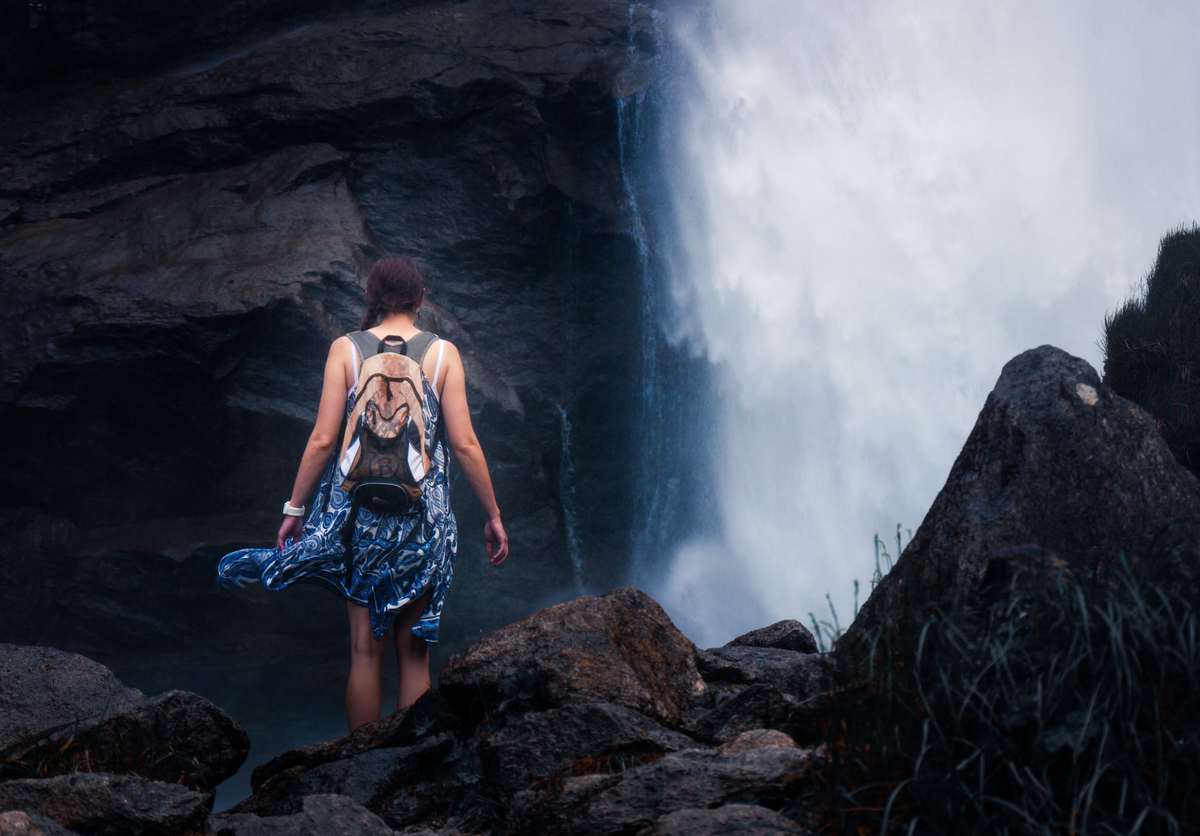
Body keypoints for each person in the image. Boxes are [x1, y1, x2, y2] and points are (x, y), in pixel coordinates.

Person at [217, 254, 509, 731]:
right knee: (414, 654)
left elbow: (323, 440)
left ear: (370, 298)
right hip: (425, 520)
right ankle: (409, 766)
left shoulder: (346, 350)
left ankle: (360, 771)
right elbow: (464, 442)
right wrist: (493, 514)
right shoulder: (442, 355)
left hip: (358, 520)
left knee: (362, 651)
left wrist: (295, 509)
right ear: (420, 300)